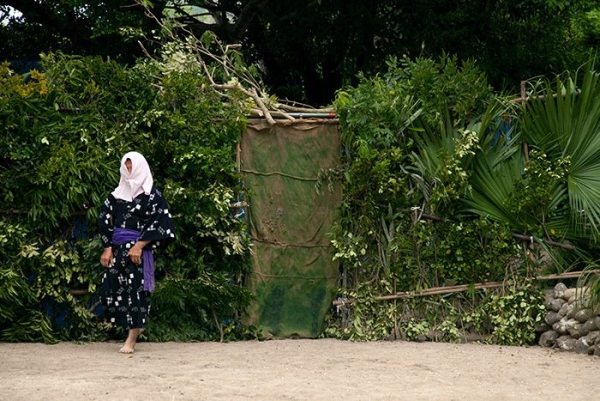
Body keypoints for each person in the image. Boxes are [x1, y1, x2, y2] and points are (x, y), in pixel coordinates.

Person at [98, 151, 175, 353]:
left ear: (141, 166)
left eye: (132, 166)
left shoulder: (153, 197)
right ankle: (130, 331)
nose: (129, 170)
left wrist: (139, 245)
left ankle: (131, 341)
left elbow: (161, 223)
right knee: (113, 291)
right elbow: (105, 220)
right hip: (117, 250)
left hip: (138, 253)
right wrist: (107, 248)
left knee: (137, 294)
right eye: (127, 166)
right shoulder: (115, 196)